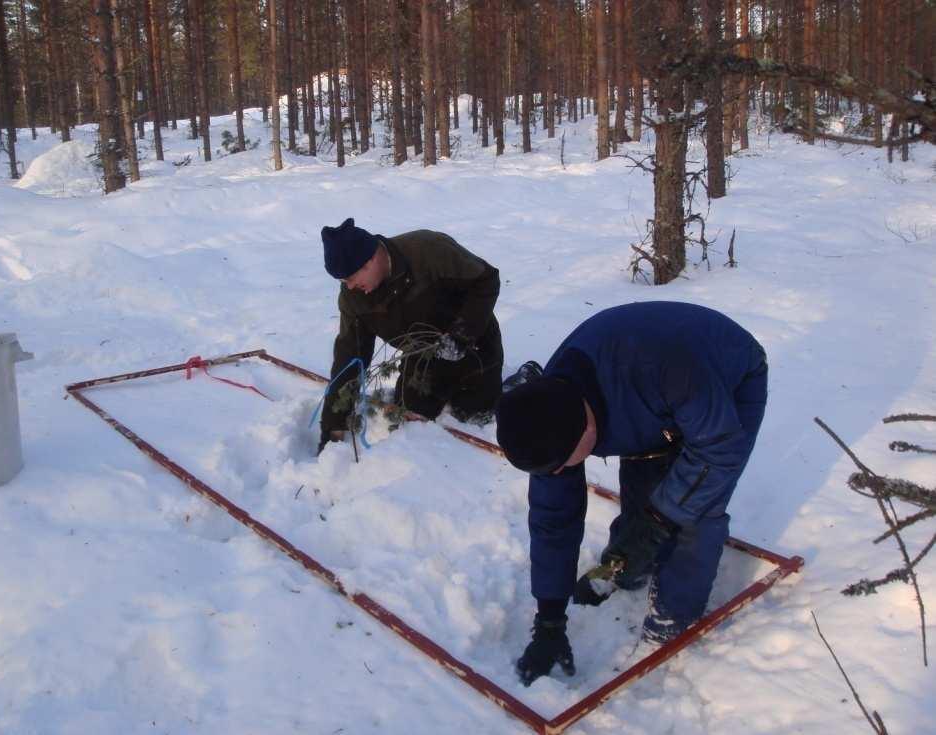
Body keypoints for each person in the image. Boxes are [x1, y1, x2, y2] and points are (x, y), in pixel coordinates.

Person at [494, 301, 768, 686]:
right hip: (647, 401)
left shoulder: (667, 371)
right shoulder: (548, 414)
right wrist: (550, 620)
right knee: (647, 494)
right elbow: (553, 520)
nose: (556, 474)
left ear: (585, 429)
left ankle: (671, 621)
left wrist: (660, 520)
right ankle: (624, 569)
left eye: (560, 465)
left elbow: (718, 451)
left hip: (727, 376)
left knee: (695, 507)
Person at [318, 218, 503, 453]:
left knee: (475, 417)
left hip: (474, 343)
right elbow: (350, 356)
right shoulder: (354, 299)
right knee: (411, 418)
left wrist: (462, 335)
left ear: (370, 259)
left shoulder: (428, 251)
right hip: (422, 358)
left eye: (352, 278)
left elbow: (486, 280)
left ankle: (520, 379)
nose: (350, 286)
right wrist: (333, 424)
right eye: (344, 282)